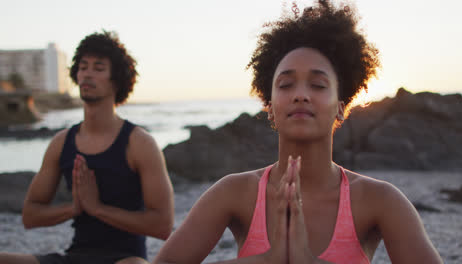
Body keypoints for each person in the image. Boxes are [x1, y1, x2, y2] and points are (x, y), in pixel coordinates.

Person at [153, 1, 443, 263]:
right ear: (270, 108)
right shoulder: (235, 192)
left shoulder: (380, 200)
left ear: (341, 108)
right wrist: (264, 261)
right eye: (285, 84)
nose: (301, 95)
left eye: (318, 85)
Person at [0, 31, 174, 264]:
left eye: (98, 68)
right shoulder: (61, 143)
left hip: (124, 259)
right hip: (74, 257)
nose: (87, 75)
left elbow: (162, 225)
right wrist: (73, 208)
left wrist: (98, 209)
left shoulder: (140, 143)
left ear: (117, 80)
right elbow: (30, 215)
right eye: (83, 67)